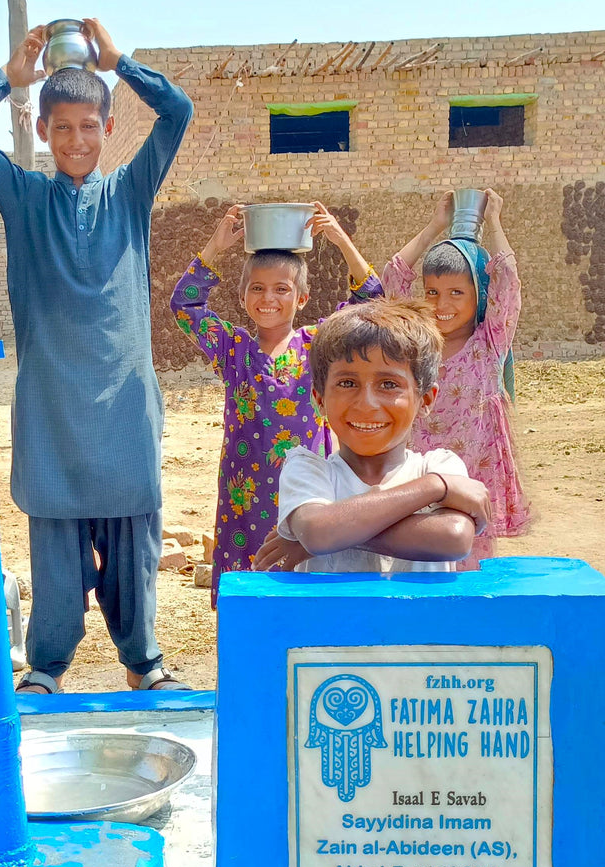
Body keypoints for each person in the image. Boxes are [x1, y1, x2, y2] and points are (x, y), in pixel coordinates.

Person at [0, 20, 193, 694]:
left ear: (108, 128)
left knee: (134, 539)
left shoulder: (130, 193)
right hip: (52, 405)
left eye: (88, 126)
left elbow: (178, 111)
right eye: (62, 129)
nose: (76, 140)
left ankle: (142, 662)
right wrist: (8, 80)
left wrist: (120, 64)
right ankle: (47, 667)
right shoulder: (23, 197)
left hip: (124, 405)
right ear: (45, 133)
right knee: (54, 541)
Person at [171, 202, 382, 603]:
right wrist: (216, 247)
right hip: (243, 497)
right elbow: (185, 306)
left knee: (305, 589)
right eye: (257, 288)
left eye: (282, 289)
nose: (269, 298)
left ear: (302, 298)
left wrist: (340, 241)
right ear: (242, 295)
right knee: (244, 595)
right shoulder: (233, 348)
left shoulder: (320, 343)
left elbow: (370, 301)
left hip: (307, 491)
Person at [253, 298, 492, 574]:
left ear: (425, 399)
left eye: (389, 384)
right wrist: (434, 488)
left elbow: (453, 536)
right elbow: (318, 531)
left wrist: (337, 535)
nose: (366, 403)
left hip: (418, 619)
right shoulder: (308, 469)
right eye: (347, 383)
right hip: (333, 620)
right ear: (319, 399)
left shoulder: (440, 465)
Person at [381, 189, 530, 567]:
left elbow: (508, 284)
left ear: (478, 294)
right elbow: (394, 276)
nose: (441, 305)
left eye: (456, 293)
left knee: (468, 558)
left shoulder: (490, 341)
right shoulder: (417, 339)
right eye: (432, 292)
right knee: (416, 558)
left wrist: (494, 222)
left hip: (474, 472)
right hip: (421, 474)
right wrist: (435, 225)